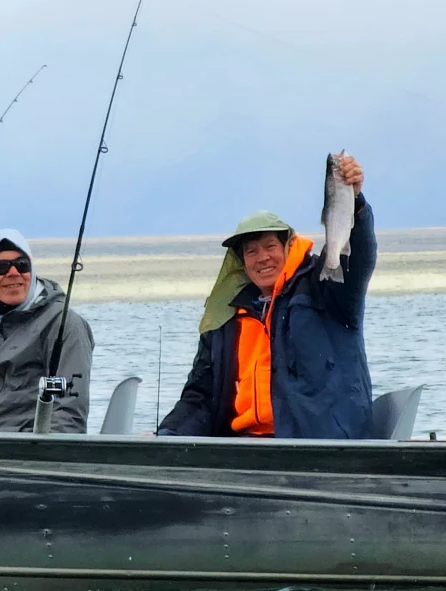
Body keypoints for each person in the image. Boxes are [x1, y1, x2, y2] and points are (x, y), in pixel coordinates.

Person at [158, 154, 375, 439]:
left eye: (269, 246)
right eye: (251, 251)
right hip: (246, 449)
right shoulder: (225, 321)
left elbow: (356, 259)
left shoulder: (324, 289)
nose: (262, 258)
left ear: (288, 247)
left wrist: (354, 203)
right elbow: (200, 396)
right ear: (241, 262)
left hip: (317, 446)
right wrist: (167, 435)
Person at [0, 229, 93, 433]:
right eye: (0, 267)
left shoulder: (64, 324)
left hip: (38, 451)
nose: (13, 273)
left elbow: (70, 416)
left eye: (22, 265)